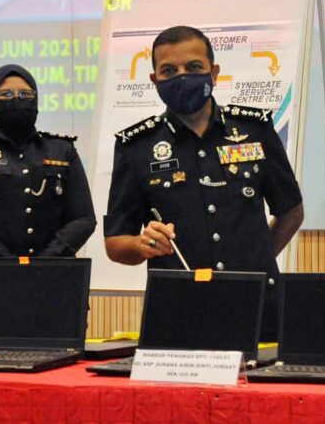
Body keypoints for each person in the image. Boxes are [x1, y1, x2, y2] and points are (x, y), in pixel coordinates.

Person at [104, 26, 304, 341]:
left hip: (257, 304)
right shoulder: (136, 146)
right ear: (154, 80)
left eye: (194, 67)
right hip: (178, 310)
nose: (182, 77)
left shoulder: (254, 130)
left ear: (214, 72)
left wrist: (256, 258)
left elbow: (291, 210)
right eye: (169, 71)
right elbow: (116, 242)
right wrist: (141, 244)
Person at [0, 64, 96, 344]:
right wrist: (9, 265)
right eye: (6, 94)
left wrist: (45, 261)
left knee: (58, 371)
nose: (17, 99)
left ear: (37, 99)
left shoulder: (62, 150)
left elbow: (84, 218)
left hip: (54, 287)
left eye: (26, 94)